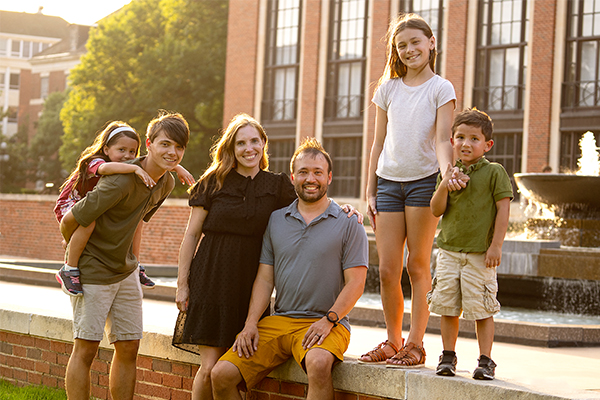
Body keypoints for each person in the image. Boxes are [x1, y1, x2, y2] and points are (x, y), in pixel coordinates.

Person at [171, 114, 361, 400]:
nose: (249, 148)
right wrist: (182, 283)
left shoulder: (277, 185)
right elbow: (190, 236)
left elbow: (311, 199)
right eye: (241, 142)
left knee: (241, 361)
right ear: (231, 148)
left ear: (264, 144)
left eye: (254, 141)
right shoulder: (213, 182)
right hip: (213, 279)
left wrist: (345, 208)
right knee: (211, 368)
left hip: (249, 282)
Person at [59, 112, 190, 400]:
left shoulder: (165, 183)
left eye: (179, 147)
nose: (172, 152)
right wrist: (74, 257)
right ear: (149, 144)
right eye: (165, 144)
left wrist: (135, 262)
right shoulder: (120, 180)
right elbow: (72, 219)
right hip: (92, 270)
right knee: (87, 348)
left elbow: (137, 221)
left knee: (130, 346)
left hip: (126, 271)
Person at [360, 13, 466, 367]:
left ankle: (416, 345)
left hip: (424, 184)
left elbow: (441, 139)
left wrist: (447, 171)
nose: (408, 50)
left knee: (417, 266)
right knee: (388, 270)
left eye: (415, 42)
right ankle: (392, 342)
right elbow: (377, 144)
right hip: (388, 184)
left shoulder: (441, 88)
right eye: (401, 45)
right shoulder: (387, 89)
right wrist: (370, 189)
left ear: (431, 43)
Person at [54, 122, 194, 296]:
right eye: (121, 150)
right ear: (106, 149)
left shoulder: (148, 176)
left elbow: (155, 160)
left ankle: (136, 264)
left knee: (136, 222)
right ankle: (69, 268)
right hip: (70, 202)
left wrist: (177, 167)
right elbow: (106, 169)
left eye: (132, 152)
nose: (127, 156)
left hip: (88, 204)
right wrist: (135, 168)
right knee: (88, 223)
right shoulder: (96, 162)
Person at [429, 108, 513, 380]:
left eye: (474, 139)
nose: (466, 143)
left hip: (479, 255)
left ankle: (486, 360)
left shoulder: (495, 172)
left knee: (482, 309)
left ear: (487, 145)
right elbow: (435, 210)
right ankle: (448, 356)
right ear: (452, 140)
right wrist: (445, 184)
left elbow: (503, 210)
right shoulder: (449, 173)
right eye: (460, 137)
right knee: (447, 307)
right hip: (449, 252)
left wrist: (496, 245)